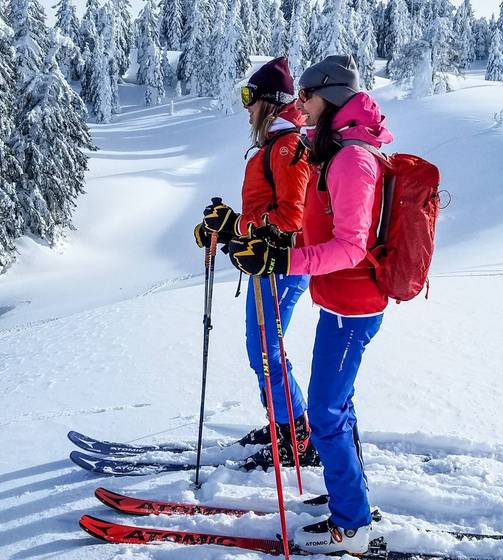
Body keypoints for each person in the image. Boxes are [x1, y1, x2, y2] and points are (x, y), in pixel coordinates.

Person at [227, 54, 394, 555]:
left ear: (332, 95)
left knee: (324, 412)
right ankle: (353, 504)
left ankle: (354, 526)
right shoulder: (340, 149)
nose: (300, 106)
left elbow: (351, 246)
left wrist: (282, 261)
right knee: (335, 408)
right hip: (340, 300)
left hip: (354, 304)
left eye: (308, 97)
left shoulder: (353, 159)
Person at [194, 57, 320, 470]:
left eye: (251, 96)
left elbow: (292, 218)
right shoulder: (275, 145)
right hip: (267, 265)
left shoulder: (287, 147)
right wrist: (226, 230)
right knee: (264, 350)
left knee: (266, 351)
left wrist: (237, 225)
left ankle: (297, 437)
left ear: (269, 101)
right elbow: (266, 215)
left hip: (282, 266)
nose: (246, 106)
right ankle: (285, 423)